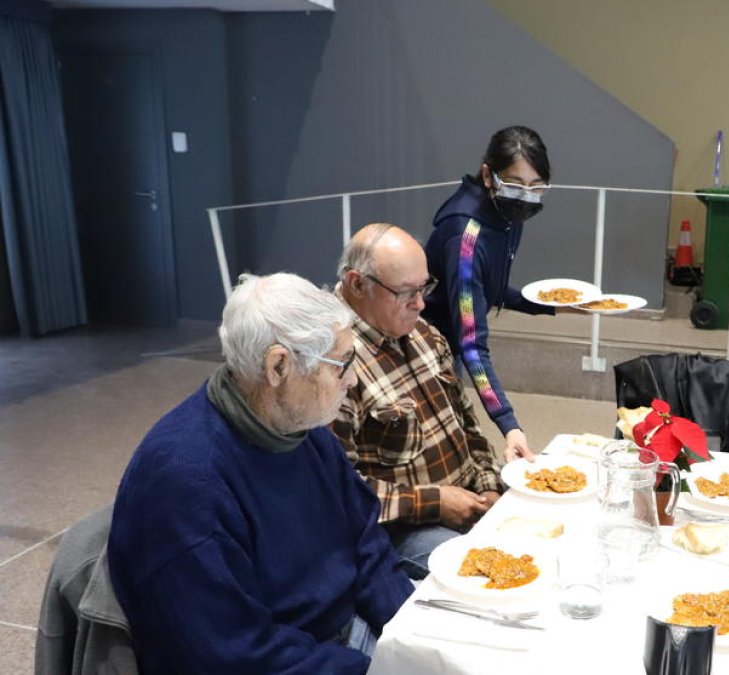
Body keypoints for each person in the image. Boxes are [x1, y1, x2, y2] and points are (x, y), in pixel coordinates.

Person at [107, 273, 413, 674]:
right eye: (342, 364)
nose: (352, 380)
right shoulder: (186, 486)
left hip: (339, 635)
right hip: (292, 659)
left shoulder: (297, 426)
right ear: (278, 366)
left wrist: (411, 632)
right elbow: (236, 655)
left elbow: (365, 541)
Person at [332, 223, 503, 578]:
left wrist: (488, 485)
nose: (421, 303)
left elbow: (468, 426)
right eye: (405, 292)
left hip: (467, 499)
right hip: (399, 527)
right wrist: (435, 503)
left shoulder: (423, 333)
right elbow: (339, 492)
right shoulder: (332, 363)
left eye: (424, 287)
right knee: (482, 574)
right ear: (357, 284)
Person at [423, 125, 555, 462]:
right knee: (444, 447)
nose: (525, 196)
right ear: (487, 176)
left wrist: (555, 305)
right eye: (515, 184)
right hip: (429, 346)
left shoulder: (506, 214)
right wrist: (509, 425)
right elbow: (471, 343)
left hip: (454, 339)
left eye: (536, 187)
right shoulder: (465, 238)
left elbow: (489, 291)